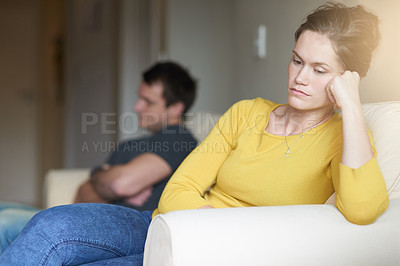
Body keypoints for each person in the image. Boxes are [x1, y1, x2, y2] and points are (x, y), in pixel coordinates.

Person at [0, 3, 389, 265]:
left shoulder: (347, 140)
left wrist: (353, 107)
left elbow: (362, 209)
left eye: (320, 70)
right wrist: (205, 217)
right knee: (51, 226)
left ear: (347, 79)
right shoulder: (247, 112)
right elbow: (178, 188)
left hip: (209, 251)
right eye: (297, 60)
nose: (300, 78)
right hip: (162, 224)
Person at [0, 61, 197, 255]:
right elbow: (82, 195)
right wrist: (102, 177)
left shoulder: (179, 140)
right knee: (2, 209)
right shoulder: (130, 145)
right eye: (139, 98)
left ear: (176, 108)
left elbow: (120, 184)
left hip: (120, 228)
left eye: (148, 102)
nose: (137, 107)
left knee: (5, 223)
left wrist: (109, 180)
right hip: (88, 218)